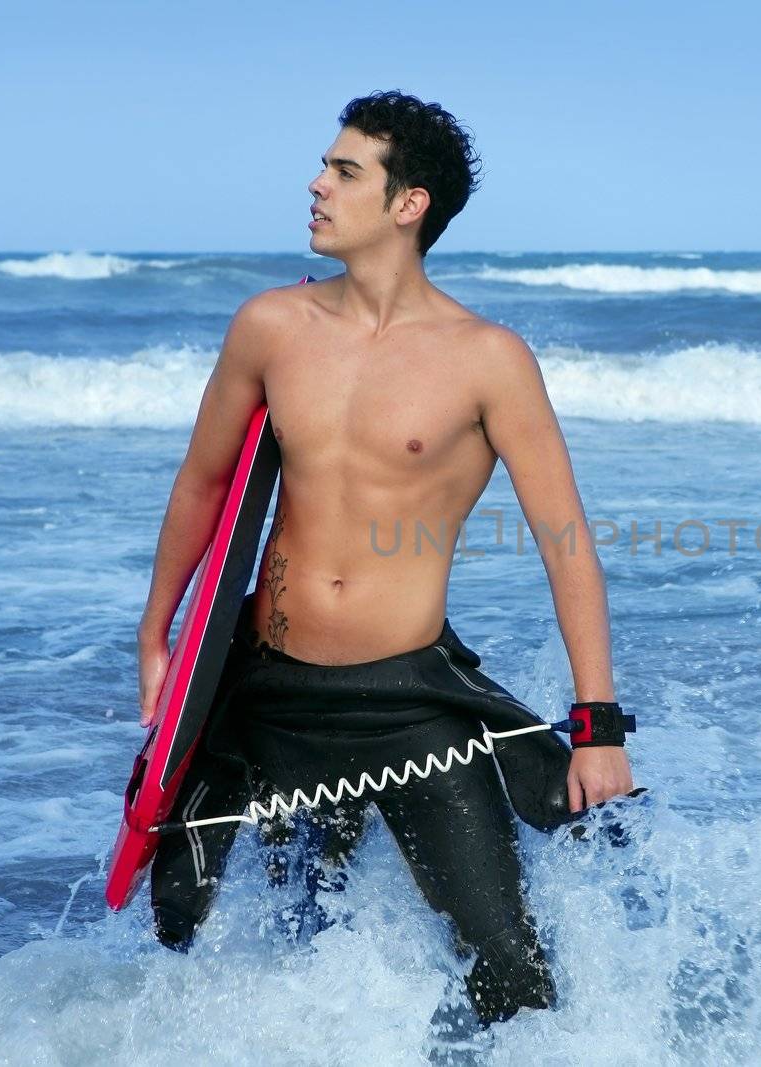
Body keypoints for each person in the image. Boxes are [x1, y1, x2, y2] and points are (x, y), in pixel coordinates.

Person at [133, 90, 637, 1028]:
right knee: (189, 937)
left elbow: (565, 544)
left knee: (510, 971)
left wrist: (598, 723)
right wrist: (157, 633)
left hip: (409, 704)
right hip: (265, 691)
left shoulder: (489, 358)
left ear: (408, 204)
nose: (316, 184)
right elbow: (202, 486)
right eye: (325, 166)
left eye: (344, 170)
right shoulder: (271, 327)